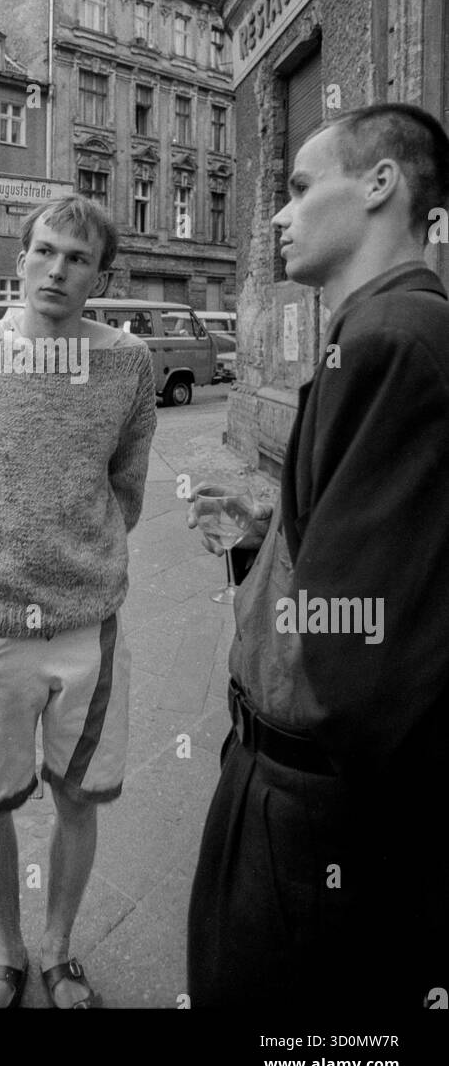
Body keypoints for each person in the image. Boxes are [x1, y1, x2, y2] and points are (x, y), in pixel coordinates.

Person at [186, 103, 449, 1009]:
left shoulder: (391, 341)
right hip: (299, 787)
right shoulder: (382, 331)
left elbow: (367, 640)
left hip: (314, 805)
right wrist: (271, 543)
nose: (277, 215)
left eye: (301, 189)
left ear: (380, 185)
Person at [0, 196, 157, 1008]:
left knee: (79, 800)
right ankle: (9, 953)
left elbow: (126, 488)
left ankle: (57, 950)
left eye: (78, 258)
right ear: (19, 258)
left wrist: (82, 561)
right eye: (45, 251)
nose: (57, 269)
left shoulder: (127, 363)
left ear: (102, 275)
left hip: (87, 629)